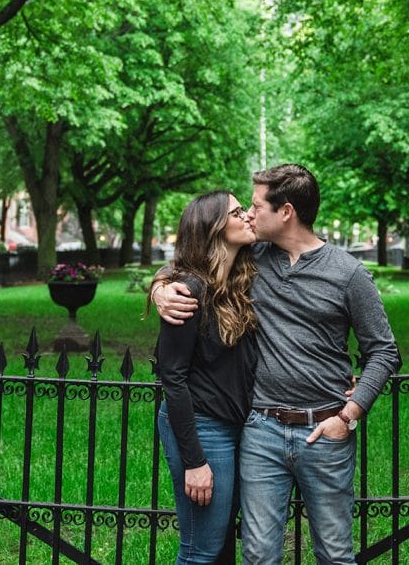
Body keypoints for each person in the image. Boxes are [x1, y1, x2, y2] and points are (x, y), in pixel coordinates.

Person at [154, 164, 400, 565]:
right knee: (258, 556)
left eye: (254, 206)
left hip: (324, 431)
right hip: (261, 431)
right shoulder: (254, 259)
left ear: (285, 211)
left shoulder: (348, 272)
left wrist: (350, 414)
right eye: (244, 209)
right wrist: (162, 287)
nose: (249, 214)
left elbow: (384, 350)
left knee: (336, 554)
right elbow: (197, 260)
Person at [155, 190, 259, 564]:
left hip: (236, 426)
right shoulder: (188, 290)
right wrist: (194, 462)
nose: (247, 216)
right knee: (201, 551)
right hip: (202, 427)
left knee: (218, 548)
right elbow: (173, 377)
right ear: (213, 228)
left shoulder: (239, 281)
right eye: (237, 212)